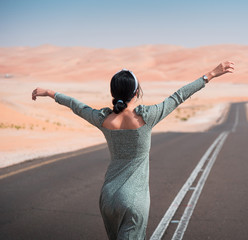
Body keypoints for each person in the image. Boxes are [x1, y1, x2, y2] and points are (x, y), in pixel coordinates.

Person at [32, 61, 234, 240]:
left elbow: (77, 106)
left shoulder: (103, 120)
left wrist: (50, 93)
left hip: (108, 198)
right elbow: (179, 96)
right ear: (136, 92)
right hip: (134, 201)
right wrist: (211, 74)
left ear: (113, 93)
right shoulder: (147, 117)